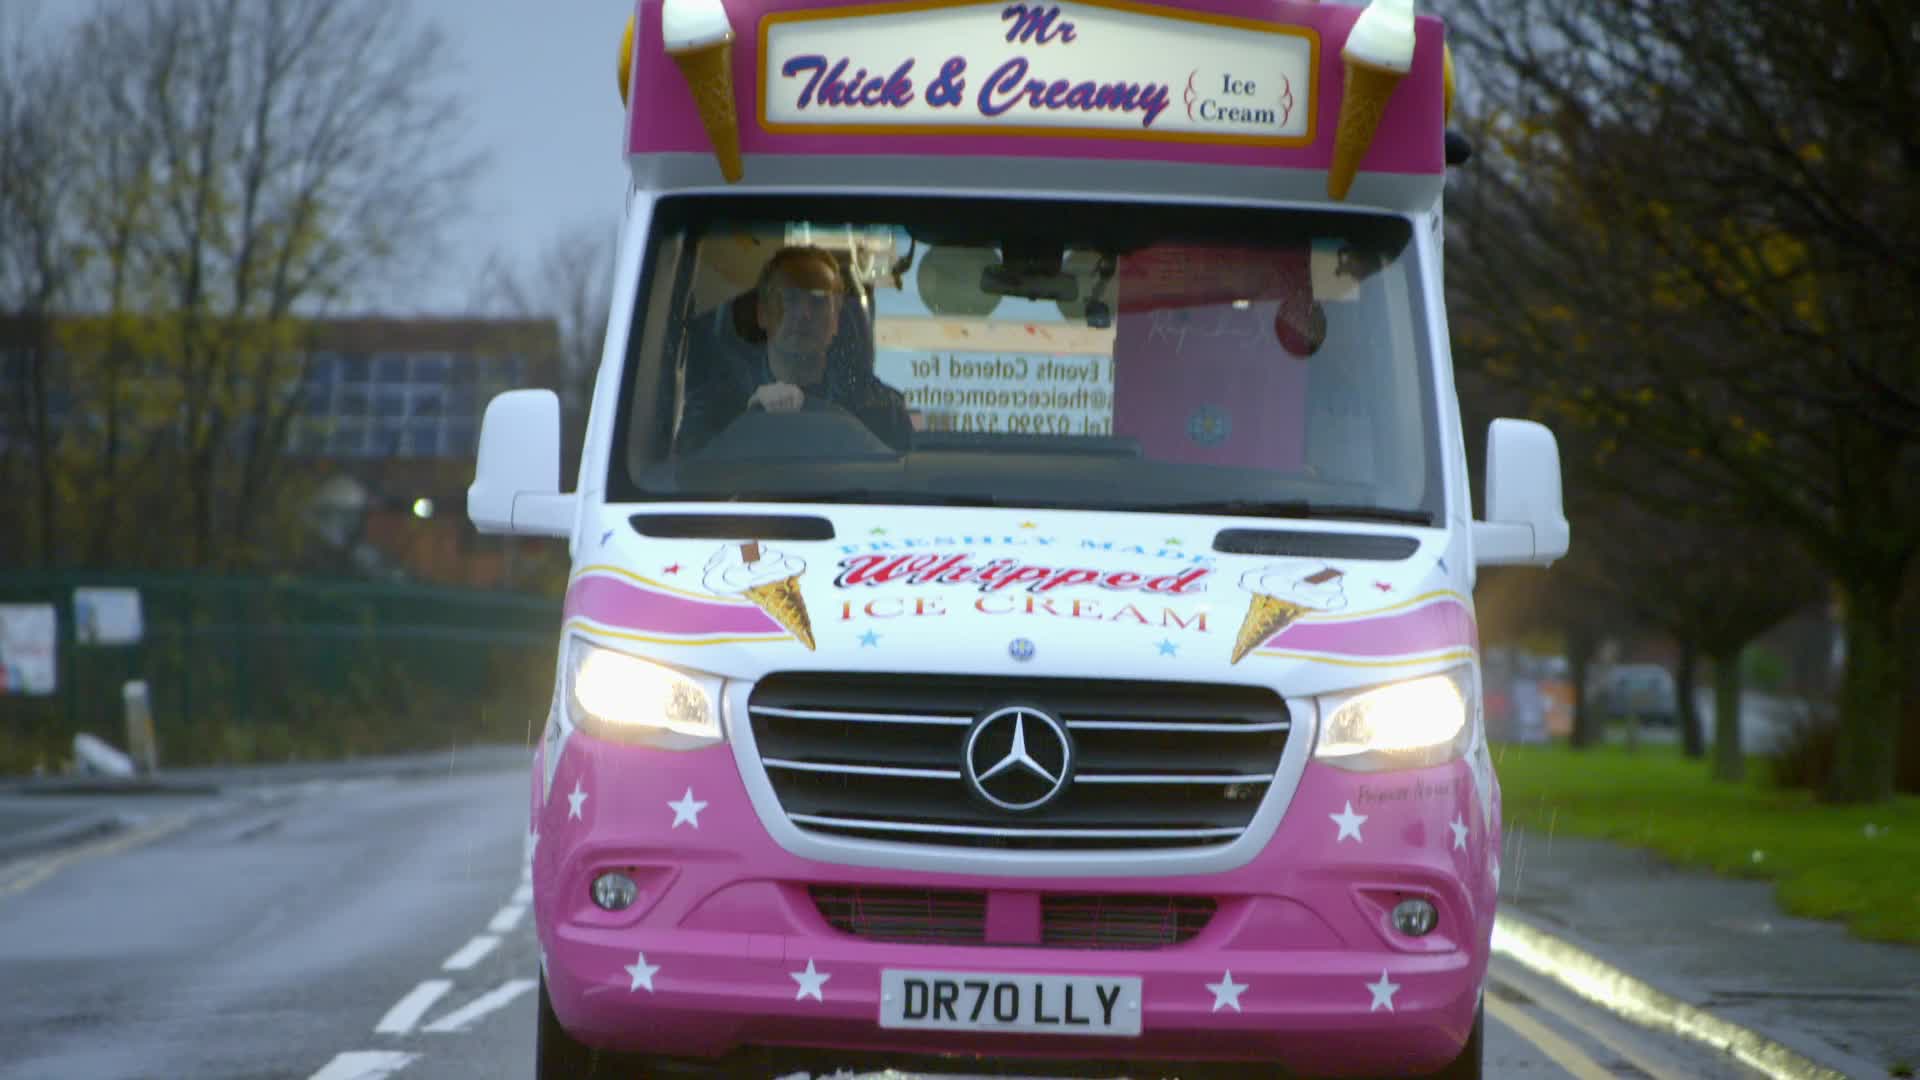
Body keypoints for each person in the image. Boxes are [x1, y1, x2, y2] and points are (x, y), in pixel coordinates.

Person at [675, 245, 912, 454]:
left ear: (836, 319)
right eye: (789, 299)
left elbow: (901, 478)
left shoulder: (879, 409)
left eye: (818, 302)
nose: (803, 314)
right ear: (762, 313)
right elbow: (688, 474)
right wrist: (747, 422)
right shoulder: (717, 406)